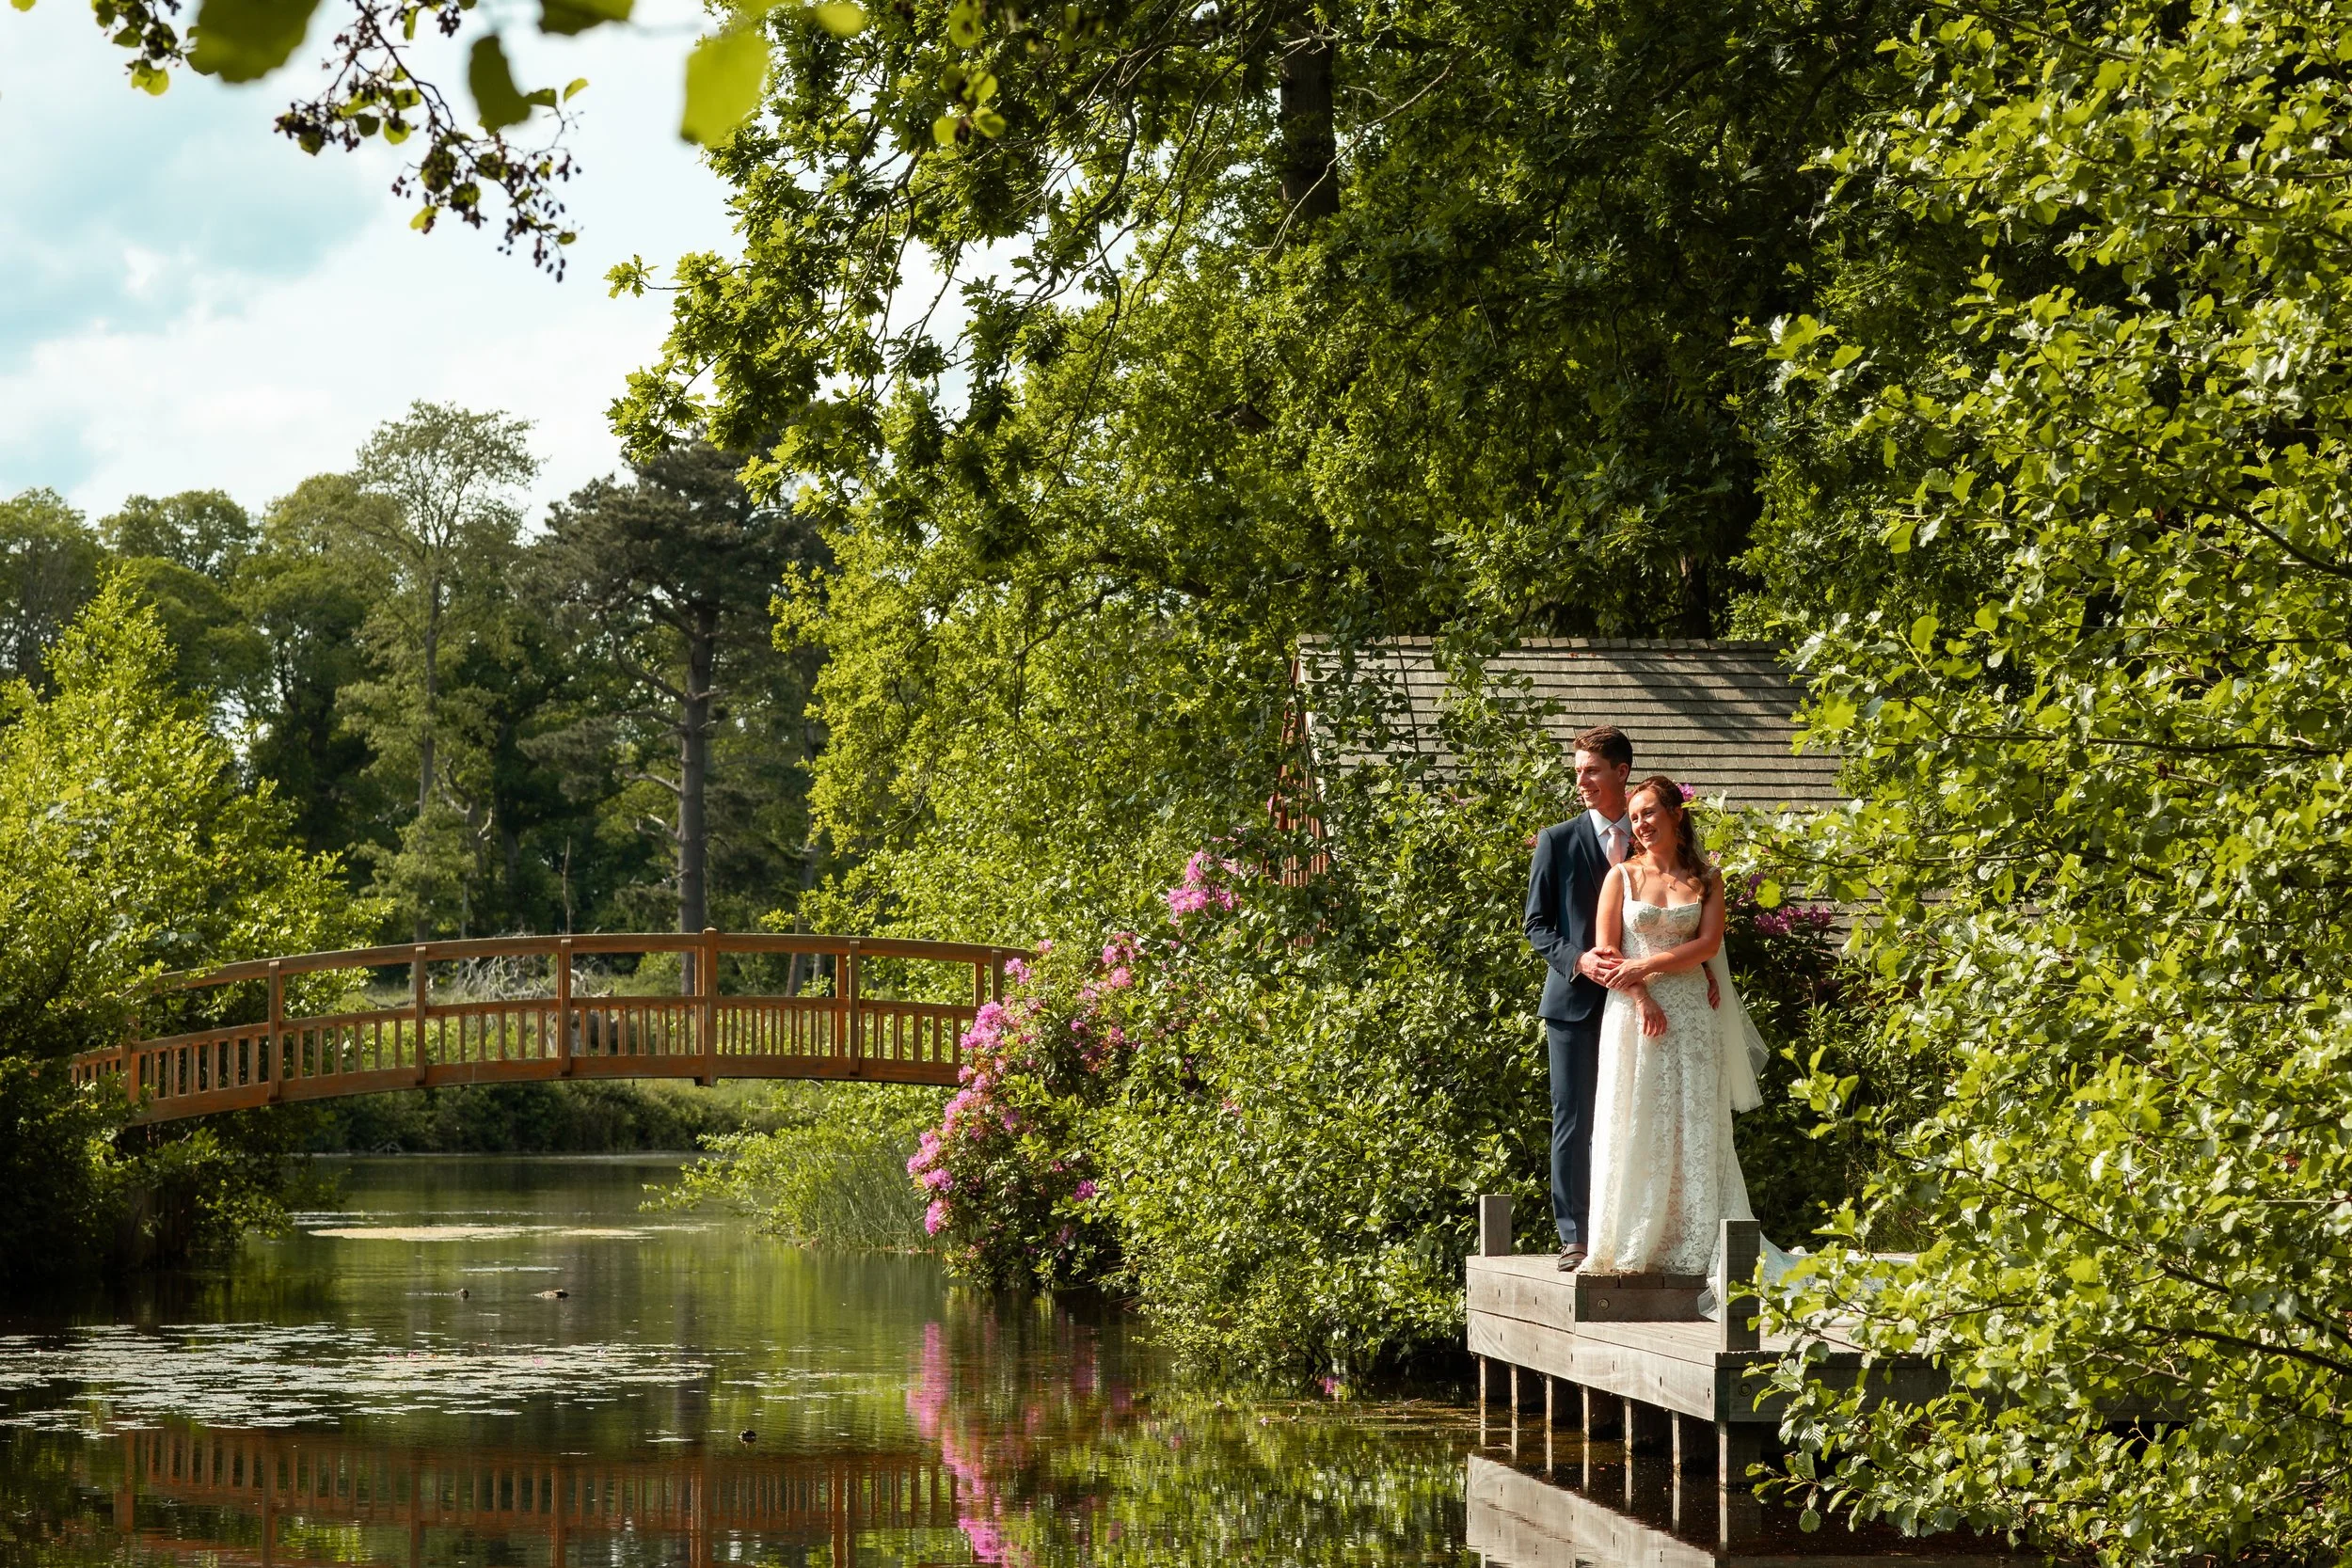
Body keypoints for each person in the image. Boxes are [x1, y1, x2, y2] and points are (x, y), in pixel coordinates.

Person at [1580, 773, 1766, 1278]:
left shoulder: (1706, 879)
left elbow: (1707, 945)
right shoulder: (1621, 876)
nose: (1639, 824)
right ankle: (1635, 1239)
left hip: (1691, 1013)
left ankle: (1696, 1238)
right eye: (1634, 816)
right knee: (1637, 1118)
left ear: (1675, 815)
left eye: (1648, 814)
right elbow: (1607, 951)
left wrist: (1650, 966)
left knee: (1692, 1122)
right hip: (1634, 1015)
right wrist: (1640, 993)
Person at [1524, 724, 1644, 1273]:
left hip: (1642, 1002)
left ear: (1622, 772)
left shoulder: (1651, 837)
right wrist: (1578, 960)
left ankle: (1630, 1231)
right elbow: (1536, 925)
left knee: (1634, 1115)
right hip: (1572, 1004)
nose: (1582, 782)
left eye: (1592, 770)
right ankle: (1574, 1234)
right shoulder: (1557, 841)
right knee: (1572, 1117)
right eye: (1578, 772)